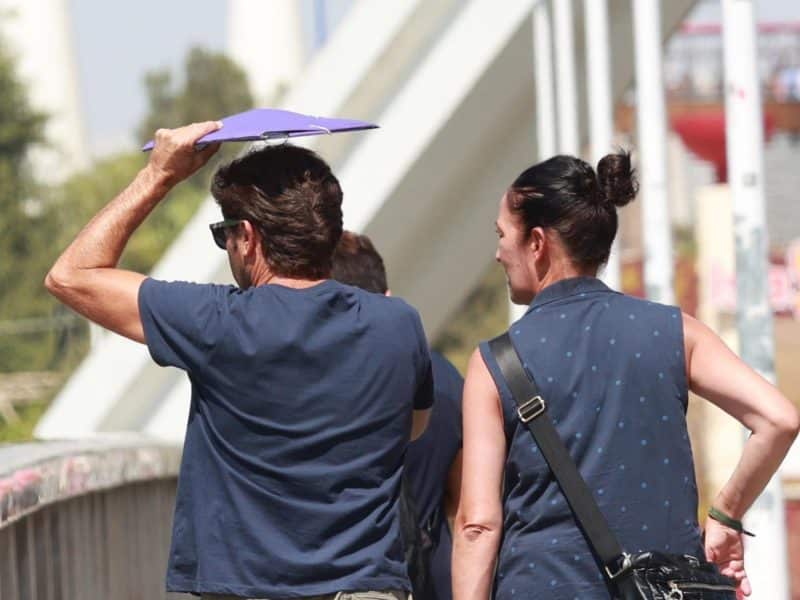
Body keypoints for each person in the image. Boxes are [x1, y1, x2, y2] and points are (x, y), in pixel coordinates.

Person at [45, 122, 434, 600]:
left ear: (246, 237)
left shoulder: (216, 323)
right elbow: (413, 428)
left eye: (223, 234)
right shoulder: (398, 323)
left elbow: (71, 275)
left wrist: (159, 175)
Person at [451, 153, 800, 599]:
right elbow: (778, 419)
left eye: (502, 235)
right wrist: (726, 515)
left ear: (537, 243)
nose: (498, 253)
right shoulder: (675, 332)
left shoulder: (494, 363)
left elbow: (477, 525)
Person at [331, 231, 464, 600]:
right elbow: (464, 503)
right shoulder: (444, 378)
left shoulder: (319, 386)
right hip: (433, 577)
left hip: (353, 579)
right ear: (387, 297)